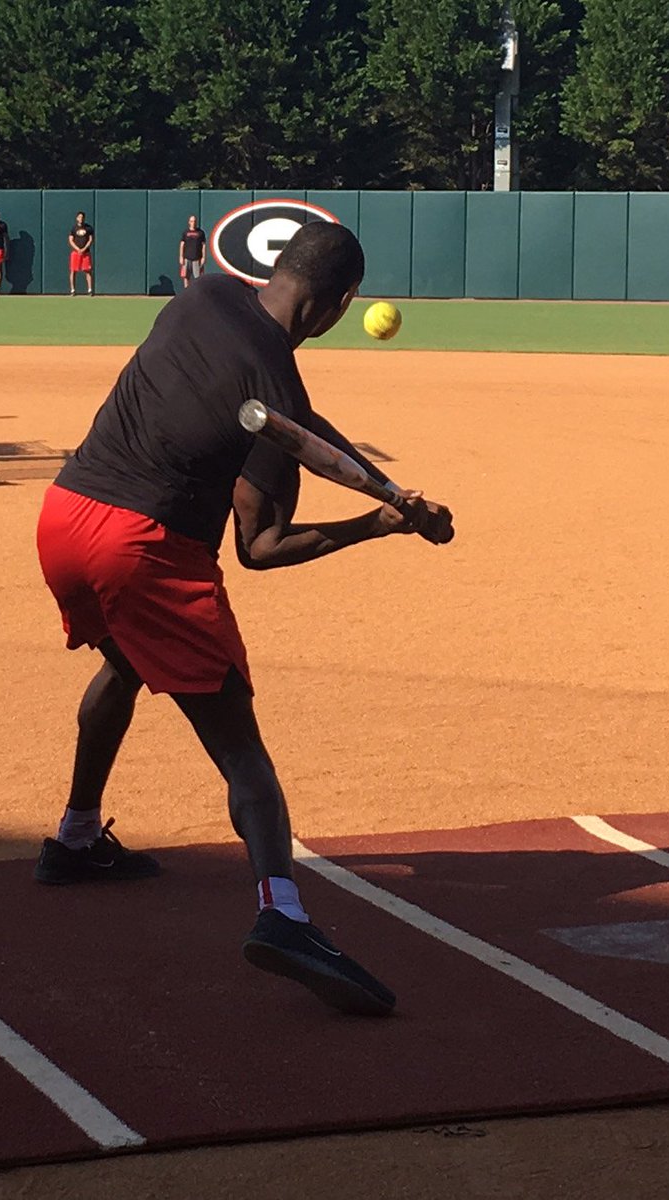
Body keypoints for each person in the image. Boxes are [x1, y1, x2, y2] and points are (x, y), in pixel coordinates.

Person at [34, 222, 454, 1016]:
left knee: (124, 663)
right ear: (340, 306)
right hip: (143, 547)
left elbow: (299, 416)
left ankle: (77, 837)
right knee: (244, 757)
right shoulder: (272, 401)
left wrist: (386, 489)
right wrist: (381, 523)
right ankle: (284, 916)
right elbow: (259, 545)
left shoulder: (206, 295)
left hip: (65, 515)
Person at [68, 212, 94, 296]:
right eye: (79, 217)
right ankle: (72, 290)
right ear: (76, 218)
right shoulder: (73, 228)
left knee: (87, 271)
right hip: (75, 253)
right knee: (73, 271)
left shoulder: (89, 228)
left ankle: (90, 290)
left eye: (82, 217)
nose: (81, 218)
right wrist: (77, 249)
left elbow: (90, 240)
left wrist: (84, 249)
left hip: (86, 253)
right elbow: (71, 240)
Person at [178, 214, 206, 288]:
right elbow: (182, 245)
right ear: (189, 222)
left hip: (197, 258)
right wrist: (181, 257)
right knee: (186, 276)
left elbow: (203, 245)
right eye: (191, 221)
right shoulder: (185, 233)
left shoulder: (201, 233)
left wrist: (203, 257)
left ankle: (197, 291)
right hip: (187, 258)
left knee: (198, 277)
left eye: (194, 221)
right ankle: (186, 291)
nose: (193, 223)